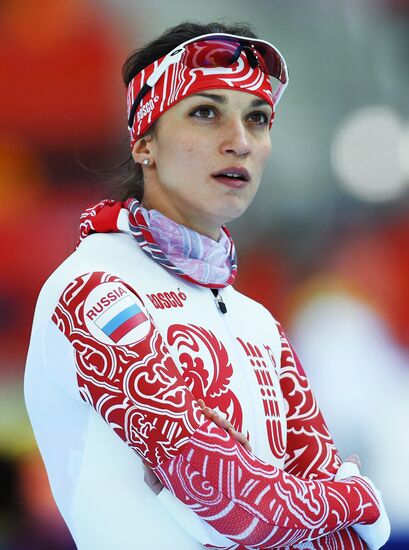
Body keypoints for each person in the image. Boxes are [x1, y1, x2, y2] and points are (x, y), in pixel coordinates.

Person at [24, 21, 390, 550]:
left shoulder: (256, 322)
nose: (239, 142)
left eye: (258, 119)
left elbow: (343, 542)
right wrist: (362, 498)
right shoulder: (91, 290)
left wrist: (278, 496)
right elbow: (234, 503)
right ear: (144, 142)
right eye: (205, 112)